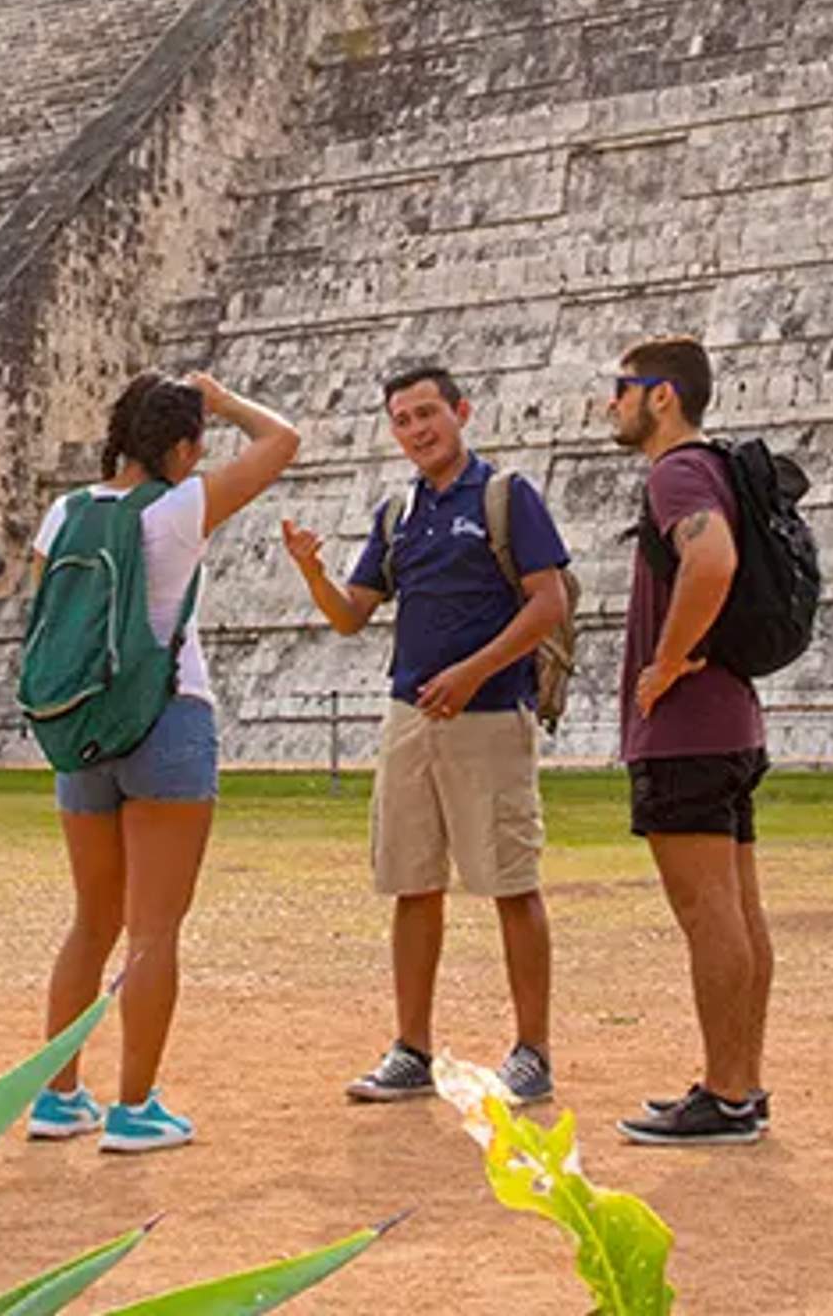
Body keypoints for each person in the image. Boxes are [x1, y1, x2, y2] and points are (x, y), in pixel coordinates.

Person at [281, 362, 572, 1107]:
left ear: (461, 412)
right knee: (412, 884)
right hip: (411, 717)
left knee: (511, 882)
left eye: (427, 414)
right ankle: (411, 1048)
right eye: (403, 420)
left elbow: (548, 603)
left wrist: (473, 673)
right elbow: (352, 615)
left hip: (489, 715)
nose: (417, 430)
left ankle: (532, 1051)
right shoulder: (398, 511)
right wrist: (312, 572)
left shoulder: (506, 496)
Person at [25, 367, 299, 1154]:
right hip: (167, 719)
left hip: (81, 726)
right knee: (153, 931)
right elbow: (282, 440)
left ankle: (58, 1095)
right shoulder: (178, 510)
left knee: (91, 922)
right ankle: (135, 1107)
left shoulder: (64, 512)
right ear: (180, 448)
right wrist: (224, 401)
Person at [605, 334, 773, 1146]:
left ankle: (726, 1091)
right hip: (729, 722)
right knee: (738, 913)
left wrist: (667, 661)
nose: (611, 404)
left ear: (661, 395)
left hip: (686, 732)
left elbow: (711, 560)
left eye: (622, 388)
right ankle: (742, 1084)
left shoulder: (676, 471)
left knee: (709, 916)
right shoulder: (715, 469)